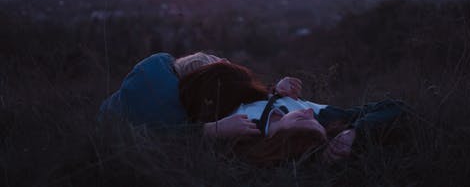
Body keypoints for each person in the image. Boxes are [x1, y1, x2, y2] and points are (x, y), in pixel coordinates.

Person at [180, 61, 408, 164]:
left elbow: (173, 132)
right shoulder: (327, 120)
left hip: (211, 83)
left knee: (187, 66)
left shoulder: (241, 131)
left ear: (283, 136)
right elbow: (396, 107)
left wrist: (209, 131)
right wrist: (354, 133)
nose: (309, 111)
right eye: (312, 118)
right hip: (233, 79)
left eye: (302, 118)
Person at [98, 52, 302, 136]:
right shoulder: (170, 109)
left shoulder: (156, 67)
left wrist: (273, 92)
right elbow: (169, 135)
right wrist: (212, 129)